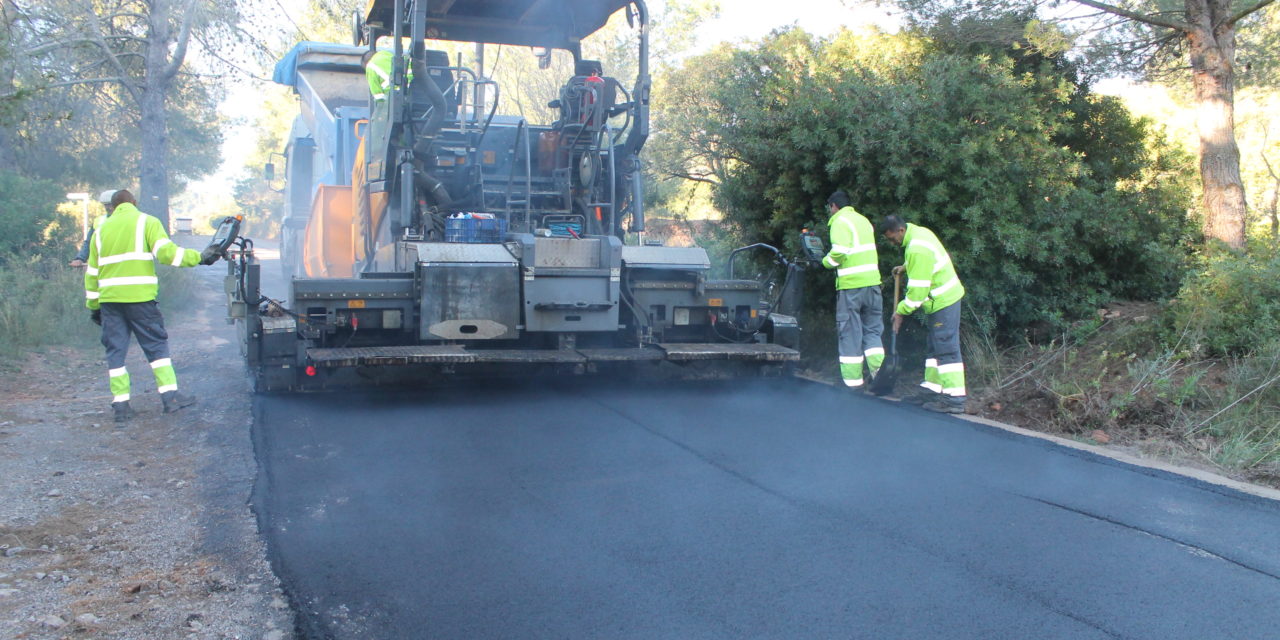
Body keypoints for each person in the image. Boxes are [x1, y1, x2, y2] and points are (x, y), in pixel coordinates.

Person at [84, 190, 222, 423]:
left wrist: (94, 306)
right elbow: (168, 254)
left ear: (113, 206)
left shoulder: (101, 230)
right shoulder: (146, 222)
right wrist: (200, 257)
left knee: (115, 352)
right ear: (133, 202)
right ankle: (170, 398)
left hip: (110, 302)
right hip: (140, 300)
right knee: (156, 348)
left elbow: (92, 273)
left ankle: (121, 405)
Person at [879, 215, 966, 413]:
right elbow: (923, 261)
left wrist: (900, 312)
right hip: (941, 300)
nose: (893, 243)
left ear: (901, 230)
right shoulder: (919, 233)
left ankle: (955, 399)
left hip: (944, 300)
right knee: (935, 347)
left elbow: (917, 294)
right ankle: (932, 391)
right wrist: (905, 267)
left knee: (946, 348)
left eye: (893, 238)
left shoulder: (917, 248)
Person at [820, 190, 883, 389]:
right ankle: (880, 379)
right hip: (873, 285)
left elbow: (839, 251)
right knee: (873, 332)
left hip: (852, 288)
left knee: (850, 333)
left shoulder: (839, 221)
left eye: (829, 208)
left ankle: (853, 384)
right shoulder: (863, 220)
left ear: (833, 206)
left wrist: (824, 262)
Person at [68, 190, 114, 268]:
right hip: (103, 266)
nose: (108, 207)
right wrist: (80, 258)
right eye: (105, 205)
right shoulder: (99, 221)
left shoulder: (129, 220)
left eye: (110, 204)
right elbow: (89, 242)